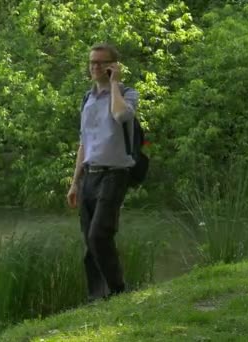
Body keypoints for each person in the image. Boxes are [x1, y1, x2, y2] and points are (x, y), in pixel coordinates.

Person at [66, 42, 139, 301]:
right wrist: (75, 183)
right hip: (90, 176)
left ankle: (118, 291)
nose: (95, 67)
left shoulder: (127, 94)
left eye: (101, 62)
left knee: (100, 235)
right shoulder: (88, 99)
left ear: (112, 65)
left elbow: (120, 116)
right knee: (90, 242)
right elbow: (84, 144)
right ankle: (97, 298)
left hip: (115, 174)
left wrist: (115, 84)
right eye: (92, 62)